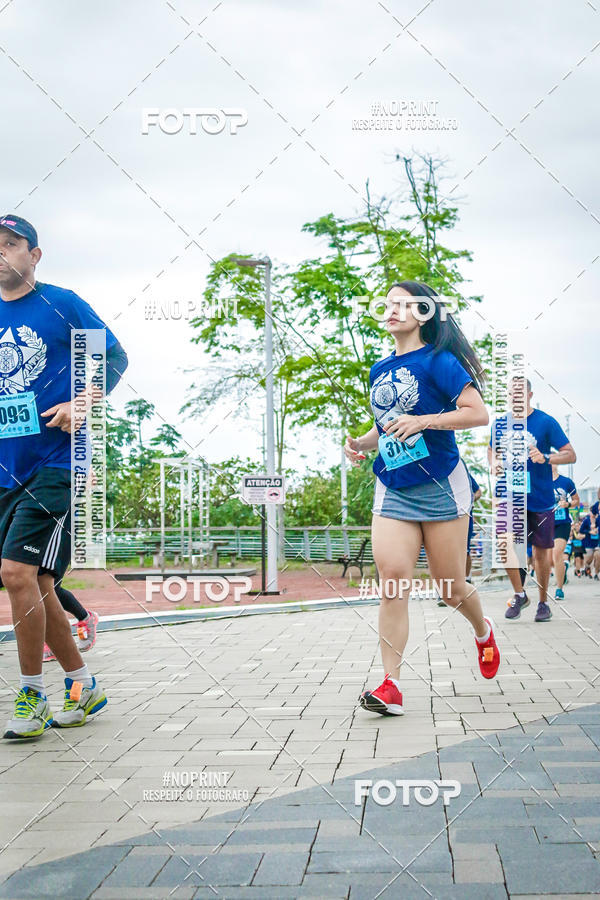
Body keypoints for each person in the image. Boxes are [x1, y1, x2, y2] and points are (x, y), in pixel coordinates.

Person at [345, 280, 498, 718]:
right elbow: (387, 424)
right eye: (388, 304)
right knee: (393, 580)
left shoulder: (440, 360)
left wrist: (424, 421)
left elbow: (477, 413)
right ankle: (391, 684)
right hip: (394, 486)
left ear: (425, 313)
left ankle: (483, 630)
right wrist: (362, 443)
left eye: (403, 304)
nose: (392, 309)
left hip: (441, 486)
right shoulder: (379, 368)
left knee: (450, 588)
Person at [0, 215, 127, 739]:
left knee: (16, 573)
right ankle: (81, 681)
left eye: (10, 244)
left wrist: (82, 401)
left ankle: (31, 694)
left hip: (57, 463)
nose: (1, 252)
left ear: (34, 255)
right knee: (38, 582)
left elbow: (113, 357)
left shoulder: (62, 304)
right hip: (5, 468)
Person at [488, 378, 576, 623]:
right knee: (504, 542)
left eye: (519, 393)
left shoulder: (545, 422)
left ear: (529, 395)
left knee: (541, 554)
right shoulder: (500, 423)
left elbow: (571, 455)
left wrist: (546, 457)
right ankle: (519, 594)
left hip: (540, 497)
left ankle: (543, 603)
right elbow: (492, 449)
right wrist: (494, 463)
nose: (514, 397)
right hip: (510, 496)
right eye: (510, 393)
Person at [551, 466, 579, 600]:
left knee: (557, 553)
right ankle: (562, 572)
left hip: (562, 523)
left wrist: (567, 504)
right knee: (549, 559)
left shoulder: (566, 482)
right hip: (545, 524)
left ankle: (559, 589)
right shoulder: (539, 481)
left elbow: (576, 500)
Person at [579, 510, 599, 579]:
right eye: (592, 512)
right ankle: (586, 568)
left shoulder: (598, 520)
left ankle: (596, 574)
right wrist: (589, 532)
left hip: (597, 543)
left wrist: (597, 530)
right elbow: (581, 530)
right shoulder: (586, 521)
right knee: (588, 561)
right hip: (588, 543)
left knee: (598, 556)